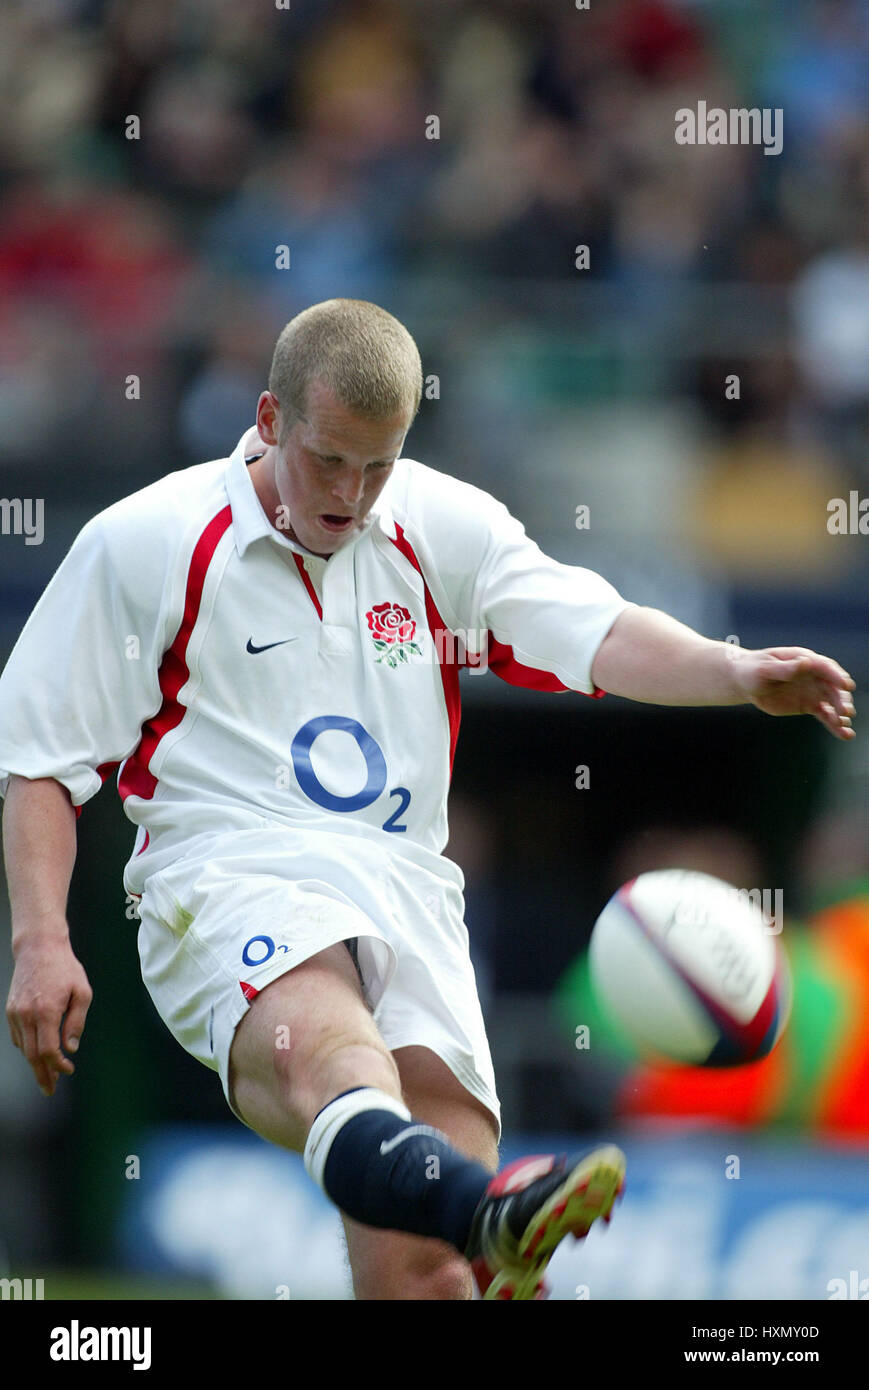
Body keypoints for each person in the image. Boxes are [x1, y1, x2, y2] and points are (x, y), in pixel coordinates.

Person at [1, 299, 855, 1301]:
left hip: (407, 889)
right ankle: (489, 1212)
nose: (352, 494)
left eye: (377, 466)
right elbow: (40, 759)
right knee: (335, 1053)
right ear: (268, 421)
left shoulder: (440, 526)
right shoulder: (144, 541)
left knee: (422, 1275)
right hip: (224, 871)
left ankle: (469, 1223)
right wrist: (41, 939)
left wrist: (731, 669)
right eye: (328, 461)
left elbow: (595, 632)